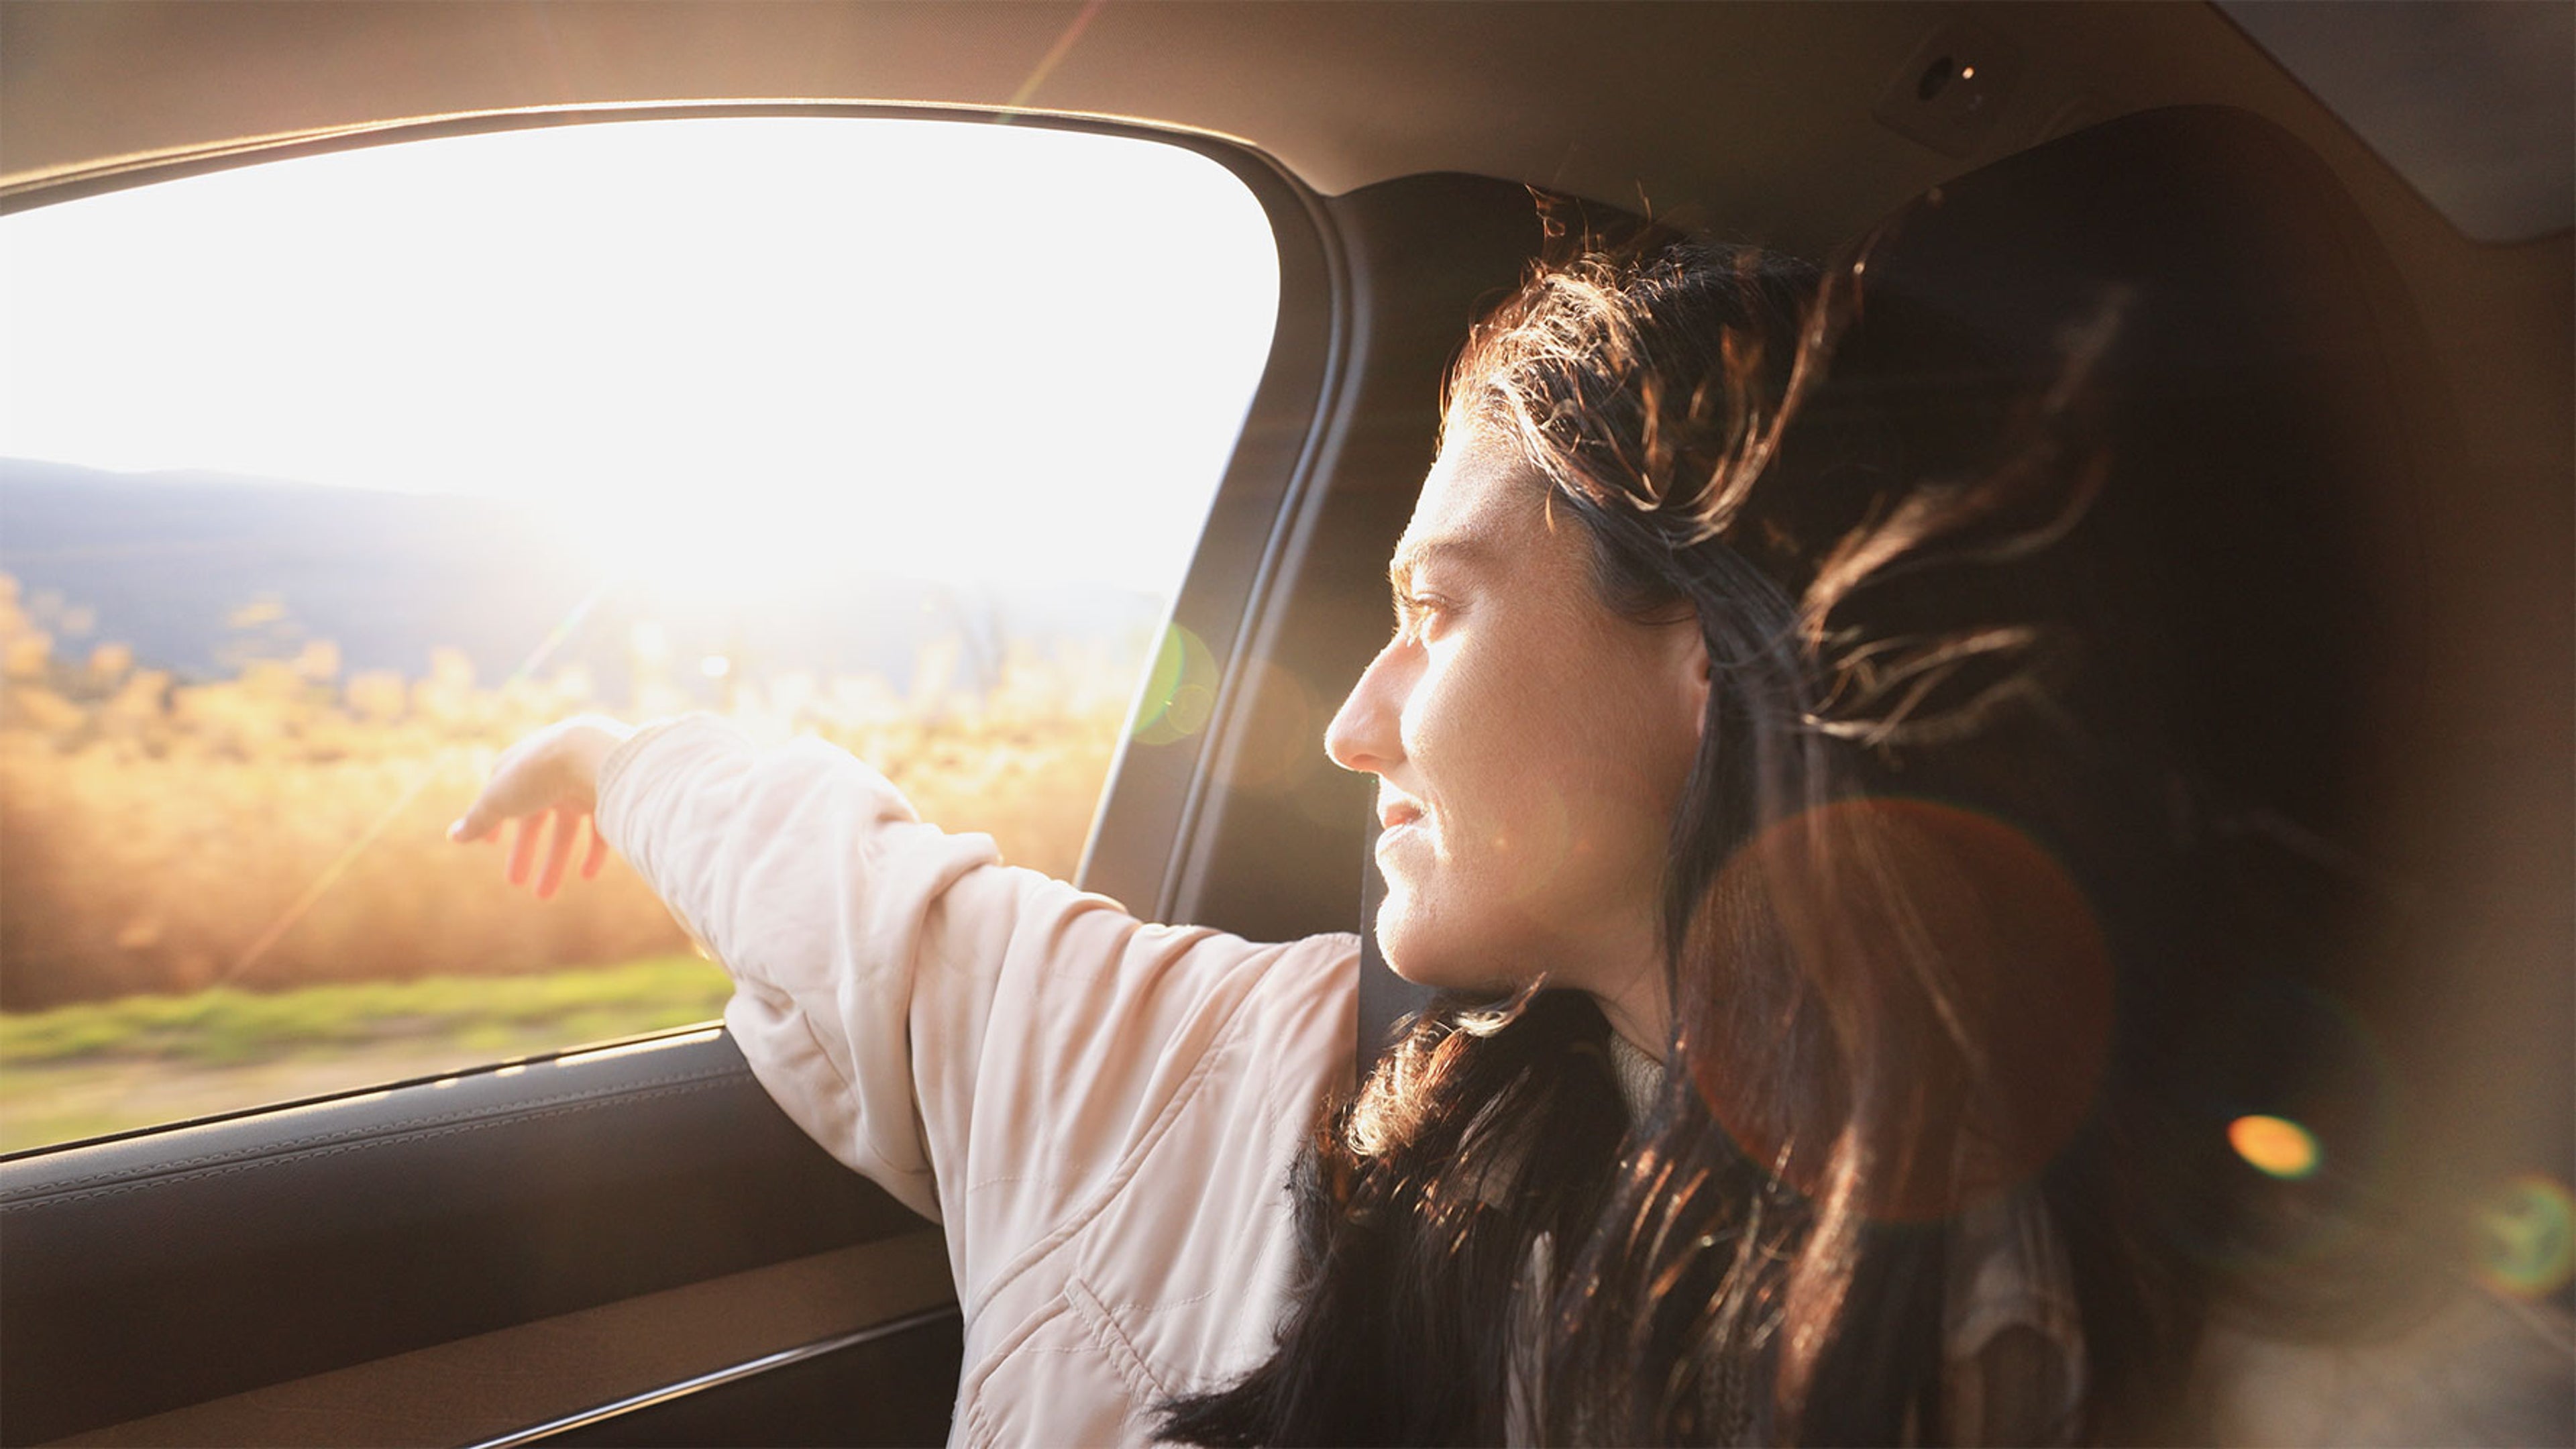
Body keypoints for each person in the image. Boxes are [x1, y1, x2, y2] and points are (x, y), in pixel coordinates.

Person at [451, 234, 2460, 1444]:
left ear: (1708, 647)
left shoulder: (2096, 1320)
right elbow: (870, 905)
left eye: (1435, 607)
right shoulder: (1236, 1066)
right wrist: (622, 760)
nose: (1352, 723)